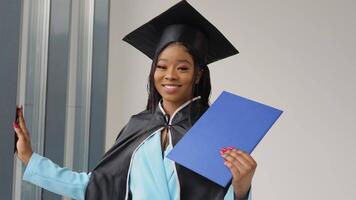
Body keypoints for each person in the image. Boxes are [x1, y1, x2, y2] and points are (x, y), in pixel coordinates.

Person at [13, 1, 256, 199]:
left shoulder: (213, 131)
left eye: (182, 68)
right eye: (161, 66)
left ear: (198, 74)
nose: (170, 75)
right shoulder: (138, 125)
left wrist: (242, 189)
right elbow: (94, 187)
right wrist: (31, 159)